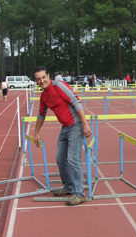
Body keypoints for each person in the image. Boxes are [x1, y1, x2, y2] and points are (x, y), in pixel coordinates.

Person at [33, 66, 92, 206]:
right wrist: (36, 132)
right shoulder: (44, 96)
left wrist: (85, 124)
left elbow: (76, 101)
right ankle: (69, 187)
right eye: (38, 79)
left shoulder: (58, 86)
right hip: (65, 127)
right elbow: (41, 114)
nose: (42, 81)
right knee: (60, 158)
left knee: (73, 159)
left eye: (43, 77)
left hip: (76, 125)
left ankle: (79, 193)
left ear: (48, 76)